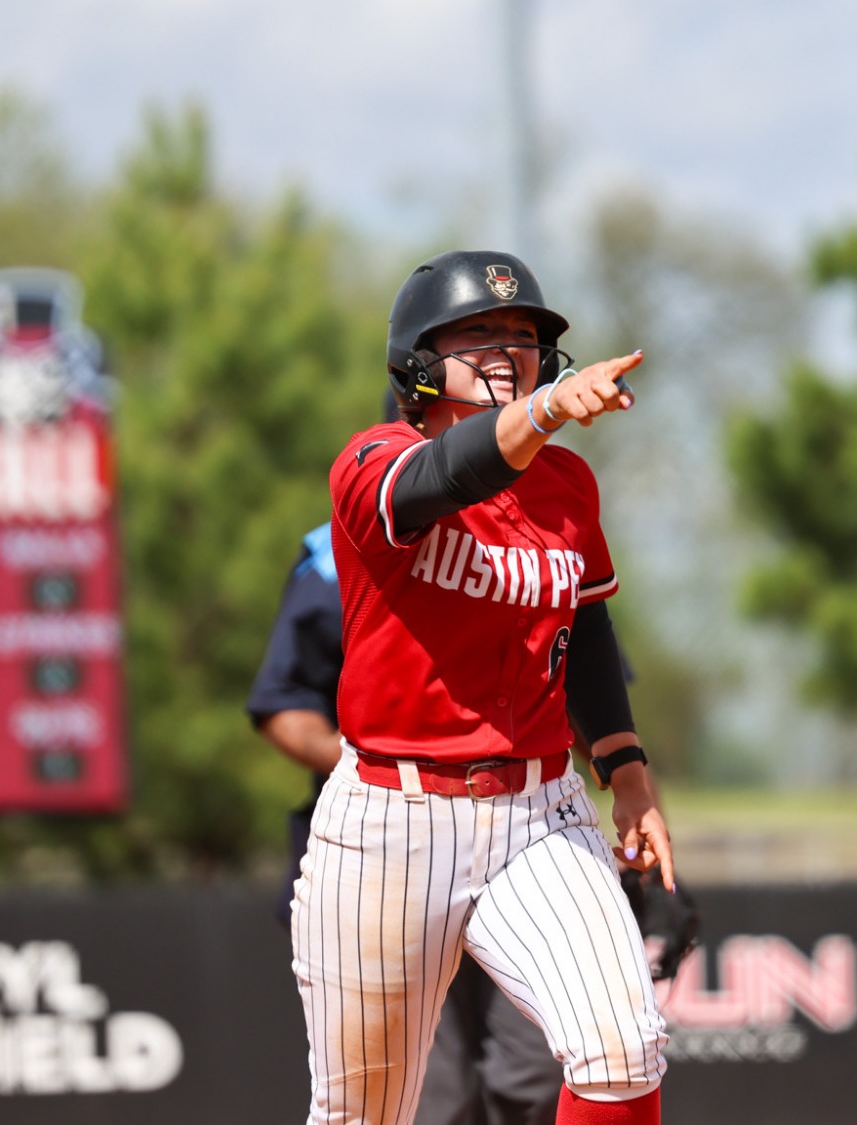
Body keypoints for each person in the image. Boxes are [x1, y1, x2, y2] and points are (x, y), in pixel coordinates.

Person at [292, 250, 673, 1125]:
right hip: (392, 819)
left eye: (523, 334)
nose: (508, 347)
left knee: (622, 1049)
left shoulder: (567, 484)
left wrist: (626, 767)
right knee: (363, 1115)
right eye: (480, 331)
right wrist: (544, 412)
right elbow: (442, 477)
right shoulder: (372, 460)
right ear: (420, 361)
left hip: (539, 811)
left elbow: (584, 625)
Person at [248, 517, 562, 1125]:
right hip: (390, 852)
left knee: (550, 1070)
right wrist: (384, 764)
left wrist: (639, 833)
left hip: (522, 838)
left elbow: (598, 702)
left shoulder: (541, 538)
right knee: (426, 1100)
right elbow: (284, 703)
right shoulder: (337, 554)